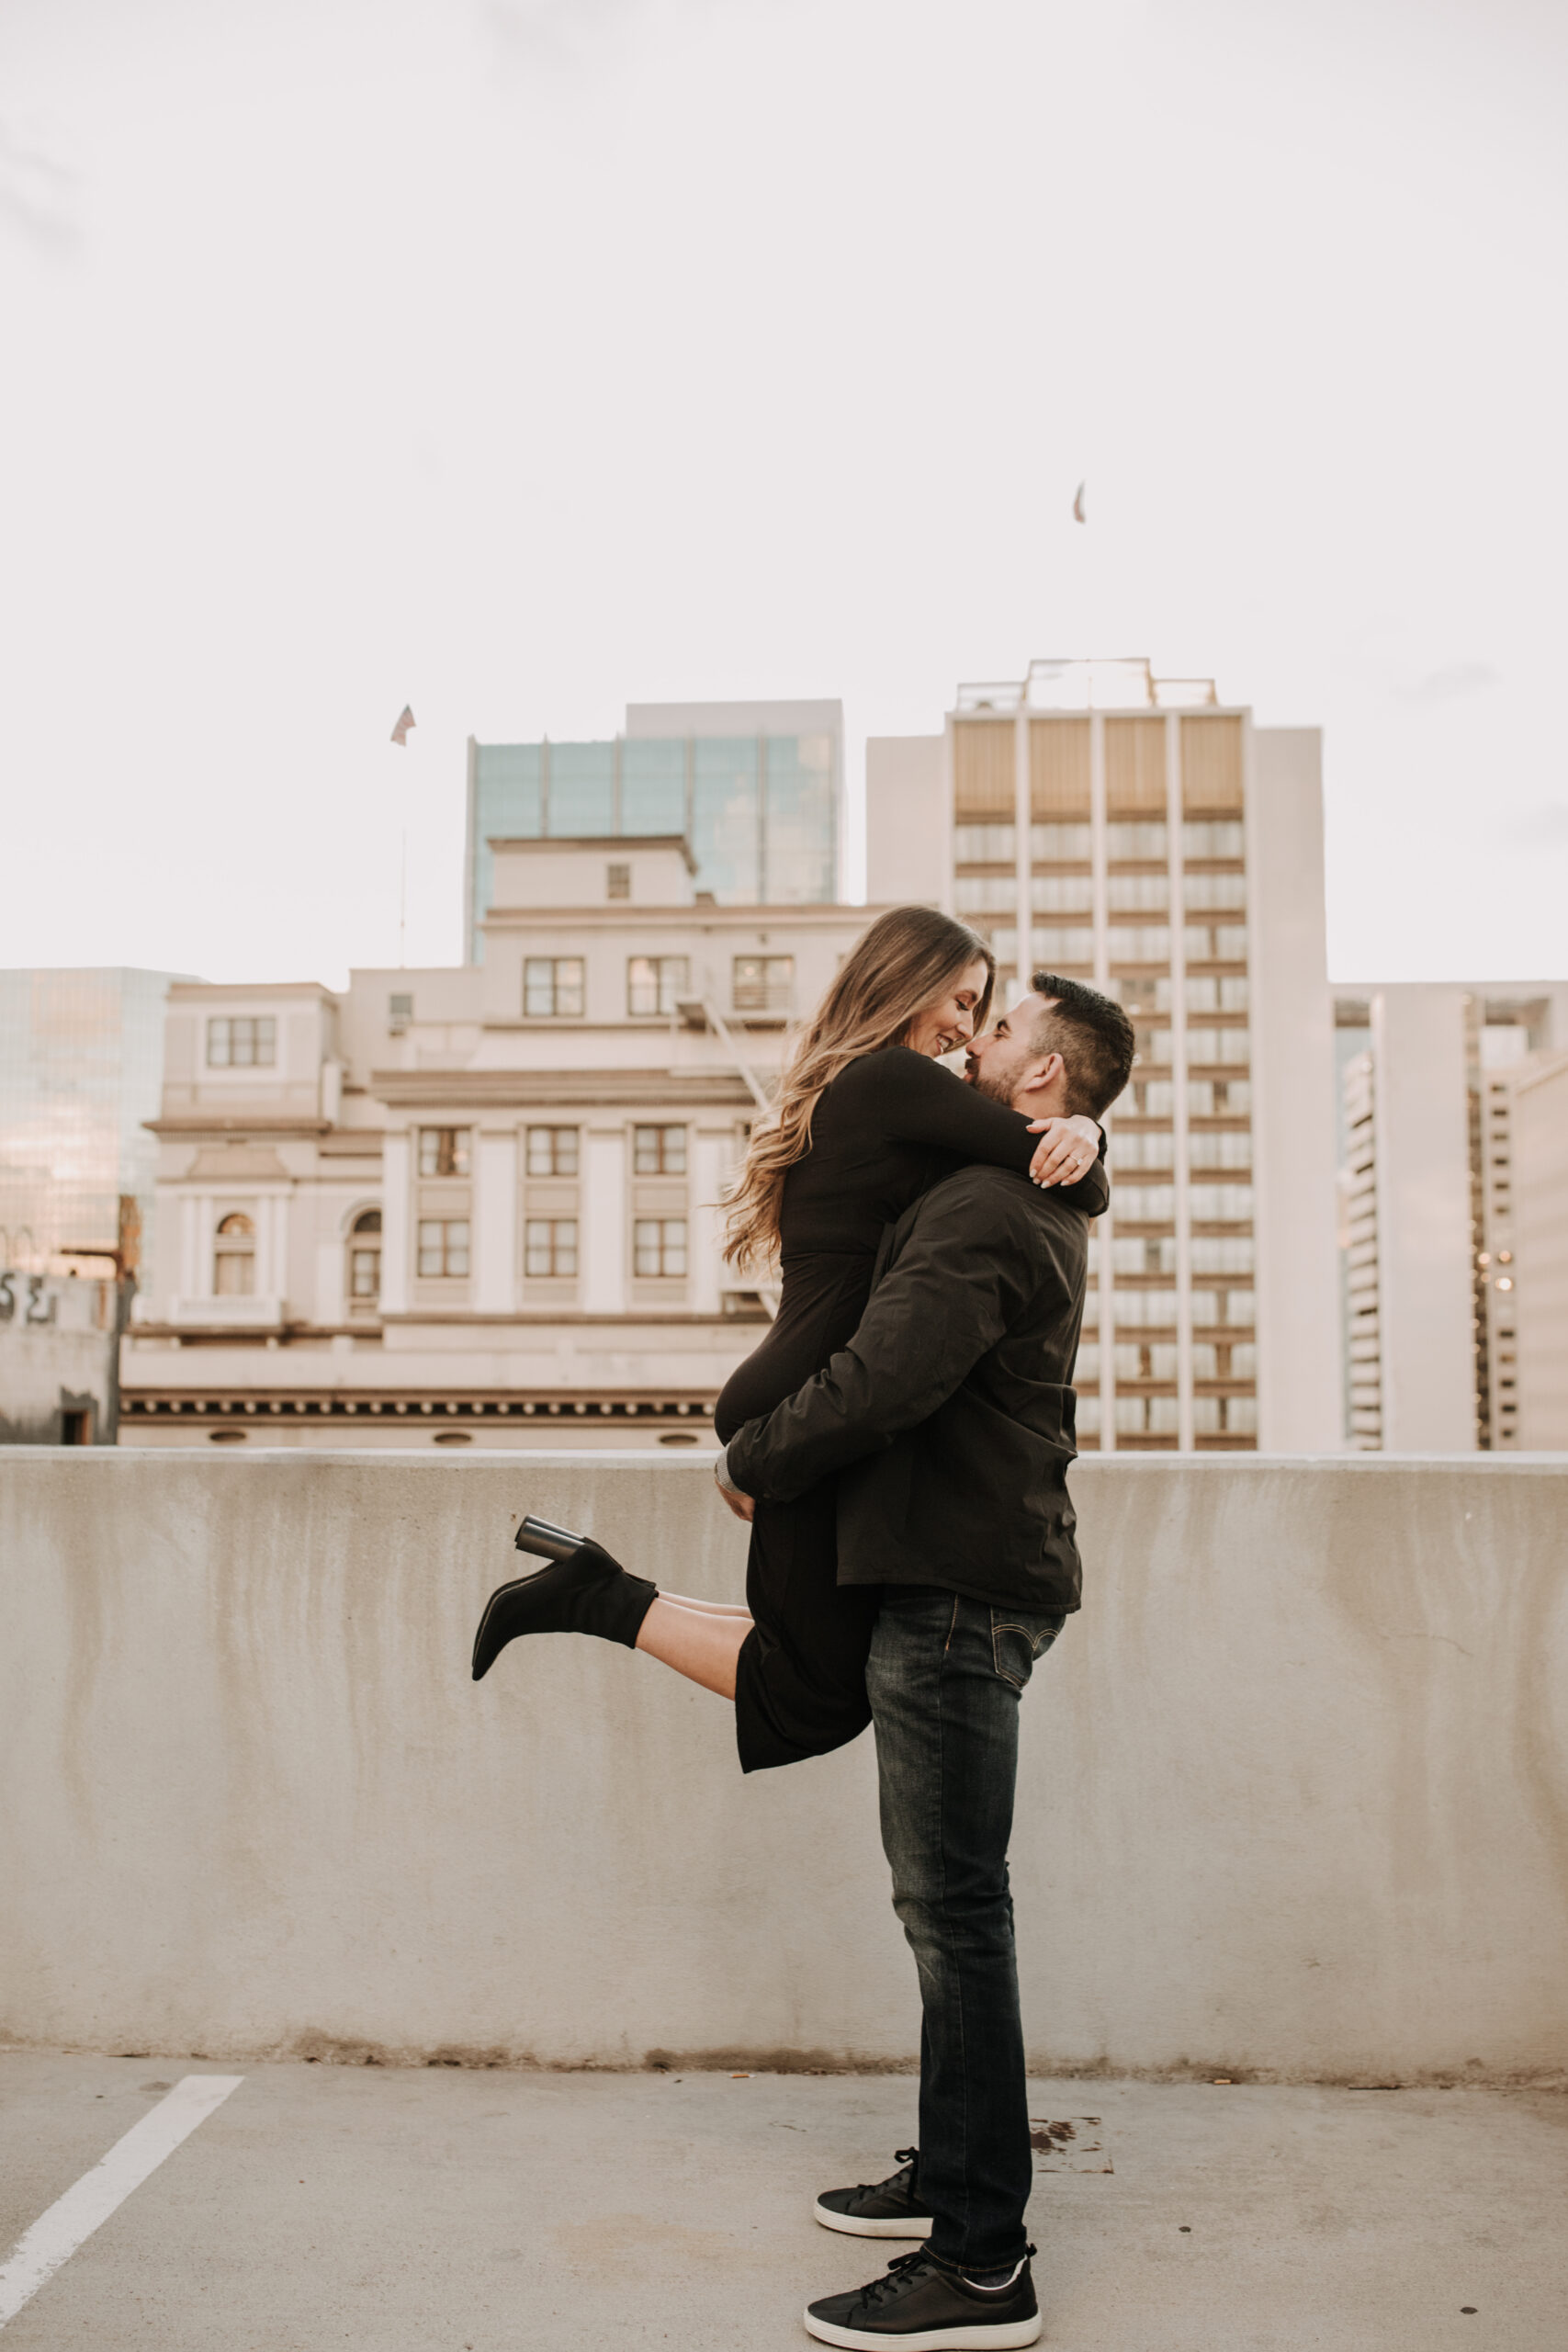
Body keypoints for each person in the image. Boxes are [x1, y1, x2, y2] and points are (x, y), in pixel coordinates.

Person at [716, 973, 1135, 2352]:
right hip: (962, 1576)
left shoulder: (986, 1210)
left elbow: (887, 1375)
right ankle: (945, 2181)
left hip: (957, 1591)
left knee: (953, 1915)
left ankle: (980, 2262)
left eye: (996, 1032)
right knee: (946, 1911)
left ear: (1040, 1083)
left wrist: (754, 1460)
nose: (971, 1040)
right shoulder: (1018, 1190)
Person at [469, 909, 1109, 1773]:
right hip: (804, 1406)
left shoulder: (878, 1086)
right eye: (961, 1000)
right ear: (905, 978)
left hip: (800, 1394)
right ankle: (596, 1596)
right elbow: (1062, 1172)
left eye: (983, 1011)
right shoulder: (891, 1080)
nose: (965, 1029)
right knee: (810, 1692)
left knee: (815, 1664)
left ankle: (596, 1588)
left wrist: (1083, 1128)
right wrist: (1089, 1136)